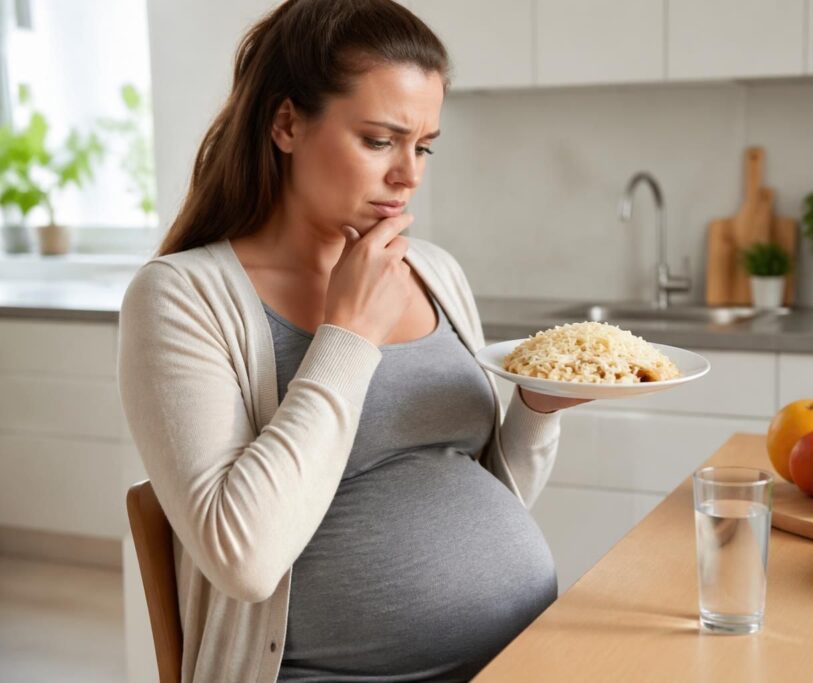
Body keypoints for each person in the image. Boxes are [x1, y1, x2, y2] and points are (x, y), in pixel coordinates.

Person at [117, 1, 589, 681]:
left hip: (518, 658)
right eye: (378, 140)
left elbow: (486, 491)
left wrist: (537, 410)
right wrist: (348, 335)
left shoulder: (434, 271)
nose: (410, 174)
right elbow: (242, 558)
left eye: (422, 145)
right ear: (286, 123)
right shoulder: (180, 296)